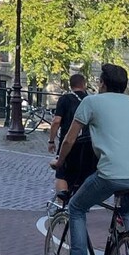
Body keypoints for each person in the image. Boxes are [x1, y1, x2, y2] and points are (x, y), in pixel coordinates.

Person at [52, 63, 129, 255]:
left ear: (102, 83)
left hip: (112, 172)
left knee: (76, 207)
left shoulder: (91, 102)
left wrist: (59, 161)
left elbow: (69, 139)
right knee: (128, 211)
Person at [48, 73, 95, 204]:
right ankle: (79, 205)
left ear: (71, 85)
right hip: (88, 144)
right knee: (83, 175)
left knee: (61, 173)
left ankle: (62, 207)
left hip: (68, 142)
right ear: (84, 84)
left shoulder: (65, 99)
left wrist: (51, 141)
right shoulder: (91, 100)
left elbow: (56, 121)